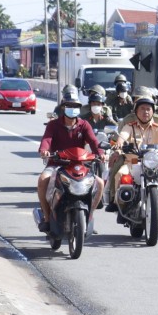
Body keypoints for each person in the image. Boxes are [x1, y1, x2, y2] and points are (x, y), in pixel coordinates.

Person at [37, 88, 106, 233]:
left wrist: (100, 153)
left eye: (75, 106)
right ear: (63, 107)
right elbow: (46, 140)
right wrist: (44, 150)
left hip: (78, 165)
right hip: (56, 164)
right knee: (43, 179)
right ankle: (47, 218)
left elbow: (94, 142)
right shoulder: (53, 125)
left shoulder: (84, 125)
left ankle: (89, 217)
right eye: (69, 106)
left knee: (99, 183)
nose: (72, 109)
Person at [110, 94, 158, 209]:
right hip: (133, 163)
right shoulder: (129, 126)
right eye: (142, 108)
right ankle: (119, 204)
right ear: (136, 111)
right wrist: (119, 143)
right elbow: (123, 135)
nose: (146, 112)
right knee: (120, 174)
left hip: (154, 163)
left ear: (153, 112)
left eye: (148, 109)